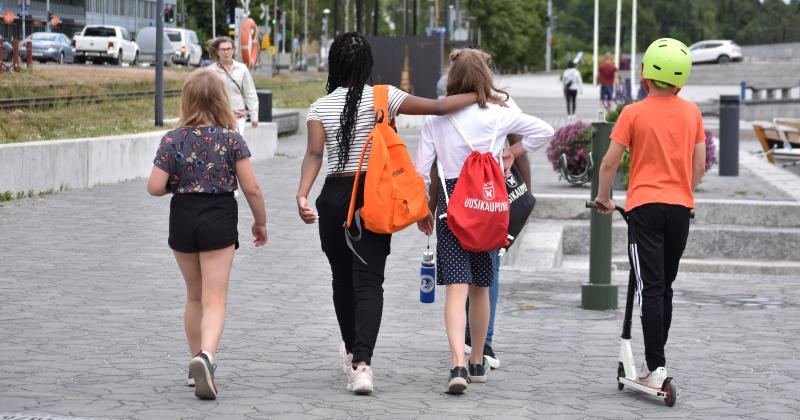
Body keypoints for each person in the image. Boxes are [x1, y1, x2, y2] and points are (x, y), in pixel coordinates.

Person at [296, 32, 503, 396]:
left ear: (334, 63)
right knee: (369, 280)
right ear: (367, 65)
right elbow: (439, 108)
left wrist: (302, 194)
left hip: (333, 196)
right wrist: (483, 94)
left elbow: (315, 154)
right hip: (372, 194)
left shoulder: (319, 106)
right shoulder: (385, 95)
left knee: (341, 278)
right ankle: (362, 366)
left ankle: (350, 352)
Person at [415, 48, 554, 394]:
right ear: (484, 79)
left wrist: (423, 212)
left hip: (452, 210)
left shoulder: (435, 118)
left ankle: (456, 364)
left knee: (456, 291)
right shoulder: (498, 114)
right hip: (489, 210)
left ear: (452, 79)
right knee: (481, 290)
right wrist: (512, 152)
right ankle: (478, 360)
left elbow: (421, 171)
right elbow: (544, 131)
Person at [147, 69, 268, 400]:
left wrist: (180, 182)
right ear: (221, 100)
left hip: (183, 217)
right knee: (216, 298)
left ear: (186, 100)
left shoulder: (172, 139)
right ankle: (207, 359)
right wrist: (261, 222)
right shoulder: (231, 140)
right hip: (218, 217)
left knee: (194, 295)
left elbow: (154, 186)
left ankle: (193, 364)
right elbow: (252, 188)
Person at [593, 38, 706, 389]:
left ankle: (656, 367)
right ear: (681, 78)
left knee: (650, 288)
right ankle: (655, 361)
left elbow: (610, 161)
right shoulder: (692, 113)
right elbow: (699, 166)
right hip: (679, 209)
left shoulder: (633, 113)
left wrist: (603, 197)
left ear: (645, 73)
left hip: (644, 209)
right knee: (664, 287)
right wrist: (682, 188)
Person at [431, 44, 531, 371]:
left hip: (458, 202)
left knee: (459, 286)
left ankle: (468, 352)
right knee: (487, 278)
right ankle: (481, 347)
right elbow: (526, 142)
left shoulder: (444, 109)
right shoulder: (502, 103)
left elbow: (432, 166)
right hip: (492, 200)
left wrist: (431, 206)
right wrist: (522, 188)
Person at [207, 37, 259, 133]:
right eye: (223, 49)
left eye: (228, 49)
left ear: (233, 50)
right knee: (220, 146)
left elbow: (250, 92)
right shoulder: (210, 71)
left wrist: (254, 116)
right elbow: (205, 96)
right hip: (217, 117)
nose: (226, 52)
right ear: (218, 52)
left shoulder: (242, 69)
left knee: (236, 145)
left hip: (238, 117)